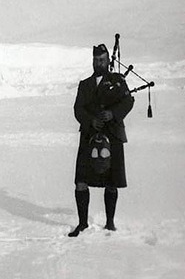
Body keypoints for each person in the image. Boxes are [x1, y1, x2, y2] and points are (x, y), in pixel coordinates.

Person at [69, 43, 134, 237]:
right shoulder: (85, 84)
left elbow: (128, 101)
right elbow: (78, 109)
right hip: (89, 134)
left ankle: (110, 223)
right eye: (96, 60)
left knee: (111, 181)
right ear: (93, 61)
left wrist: (112, 113)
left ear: (108, 61)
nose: (99, 63)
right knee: (81, 181)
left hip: (112, 134)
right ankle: (82, 224)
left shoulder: (118, 81)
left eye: (102, 60)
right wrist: (92, 120)